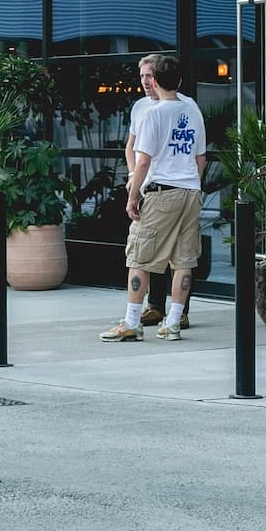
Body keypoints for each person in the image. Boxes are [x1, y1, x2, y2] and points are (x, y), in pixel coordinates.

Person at [101, 55, 206, 342]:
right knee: (184, 259)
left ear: (156, 82)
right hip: (190, 192)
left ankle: (132, 322)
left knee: (139, 258)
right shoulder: (192, 110)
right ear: (180, 81)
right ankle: (172, 323)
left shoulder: (154, 114)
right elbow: (201, 158)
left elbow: (143, 161)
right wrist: (191, 184)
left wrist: (132, 196)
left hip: (161, 193)